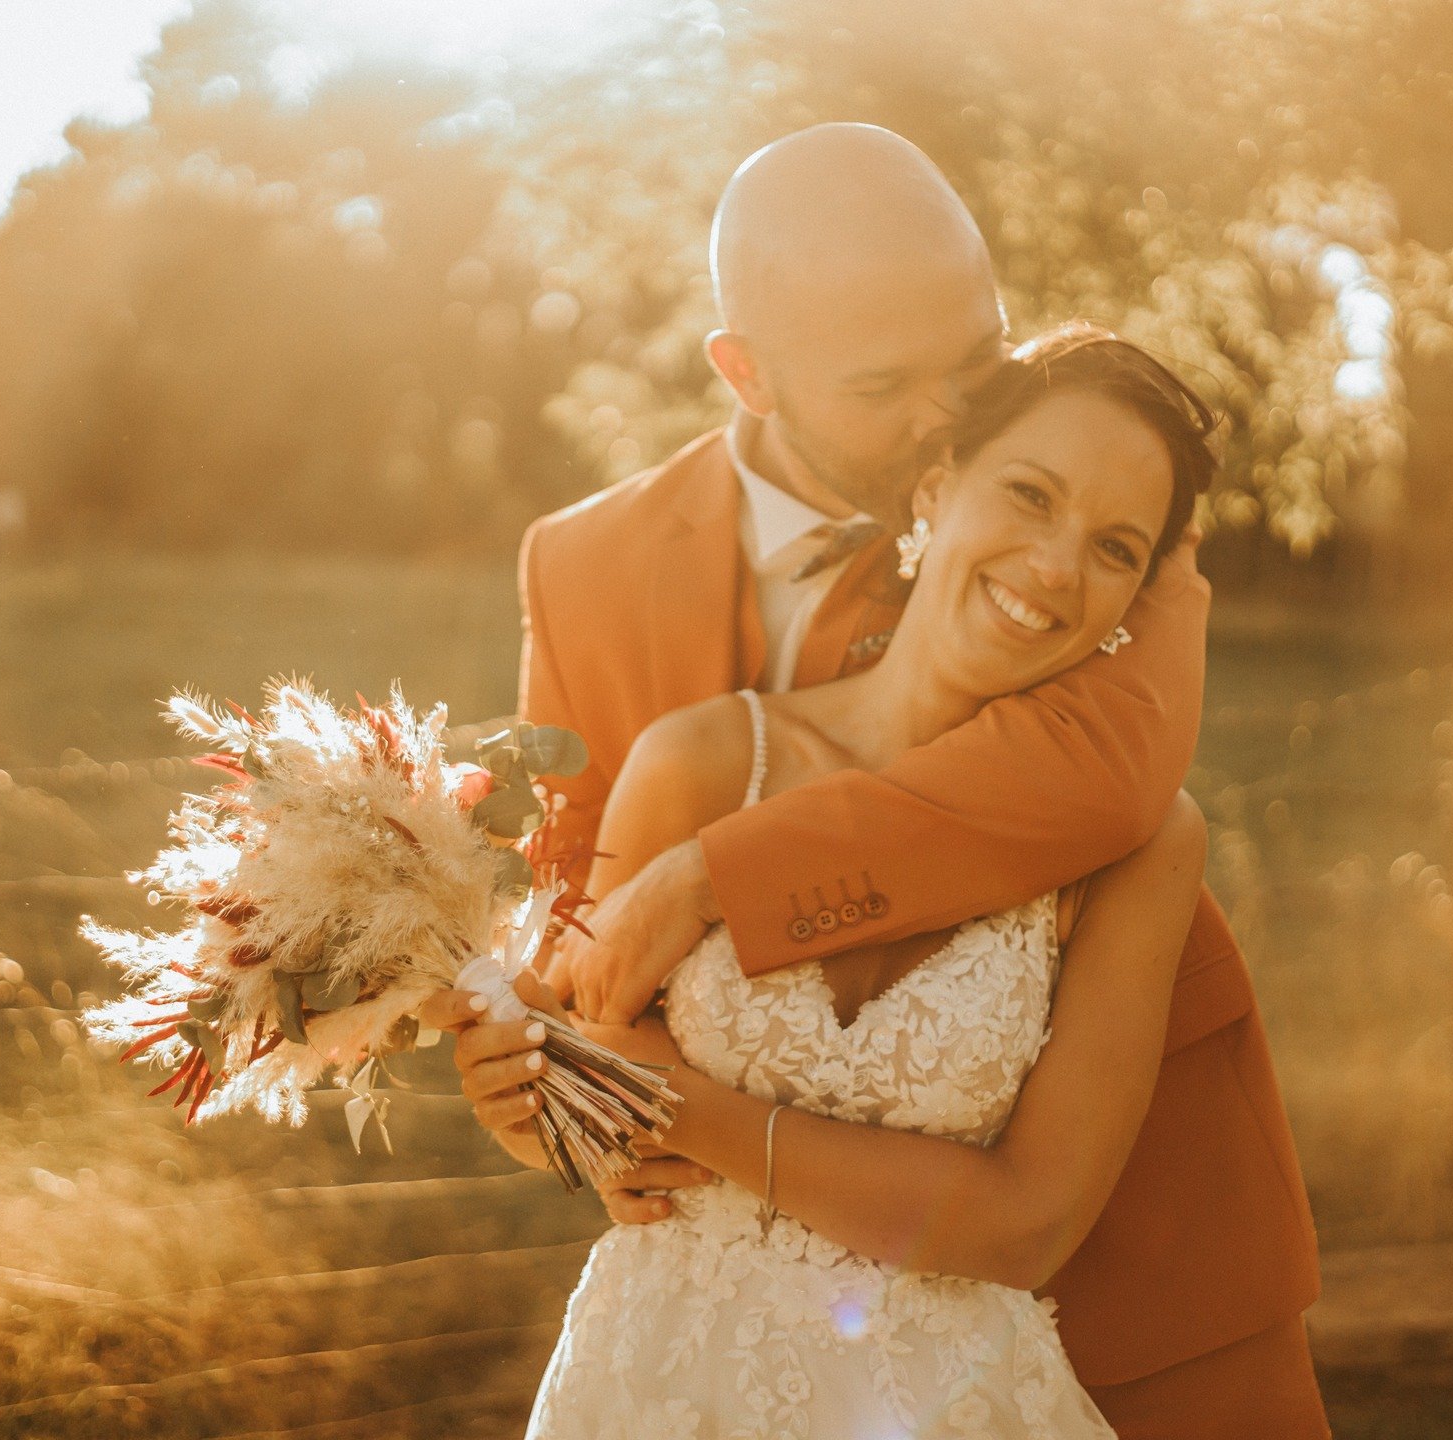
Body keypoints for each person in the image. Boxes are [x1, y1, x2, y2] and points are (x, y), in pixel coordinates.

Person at [433, 125, 1326, 1438]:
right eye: (882, 385)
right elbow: (581, 936)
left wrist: (716, 878)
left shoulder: (1099, 479)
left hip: (1135, 1251)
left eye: (976, 356)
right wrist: (536, 1086)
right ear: (747, 371)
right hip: (714, 1341)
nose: (948, 414)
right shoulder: (585, 566)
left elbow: (1114, 772)